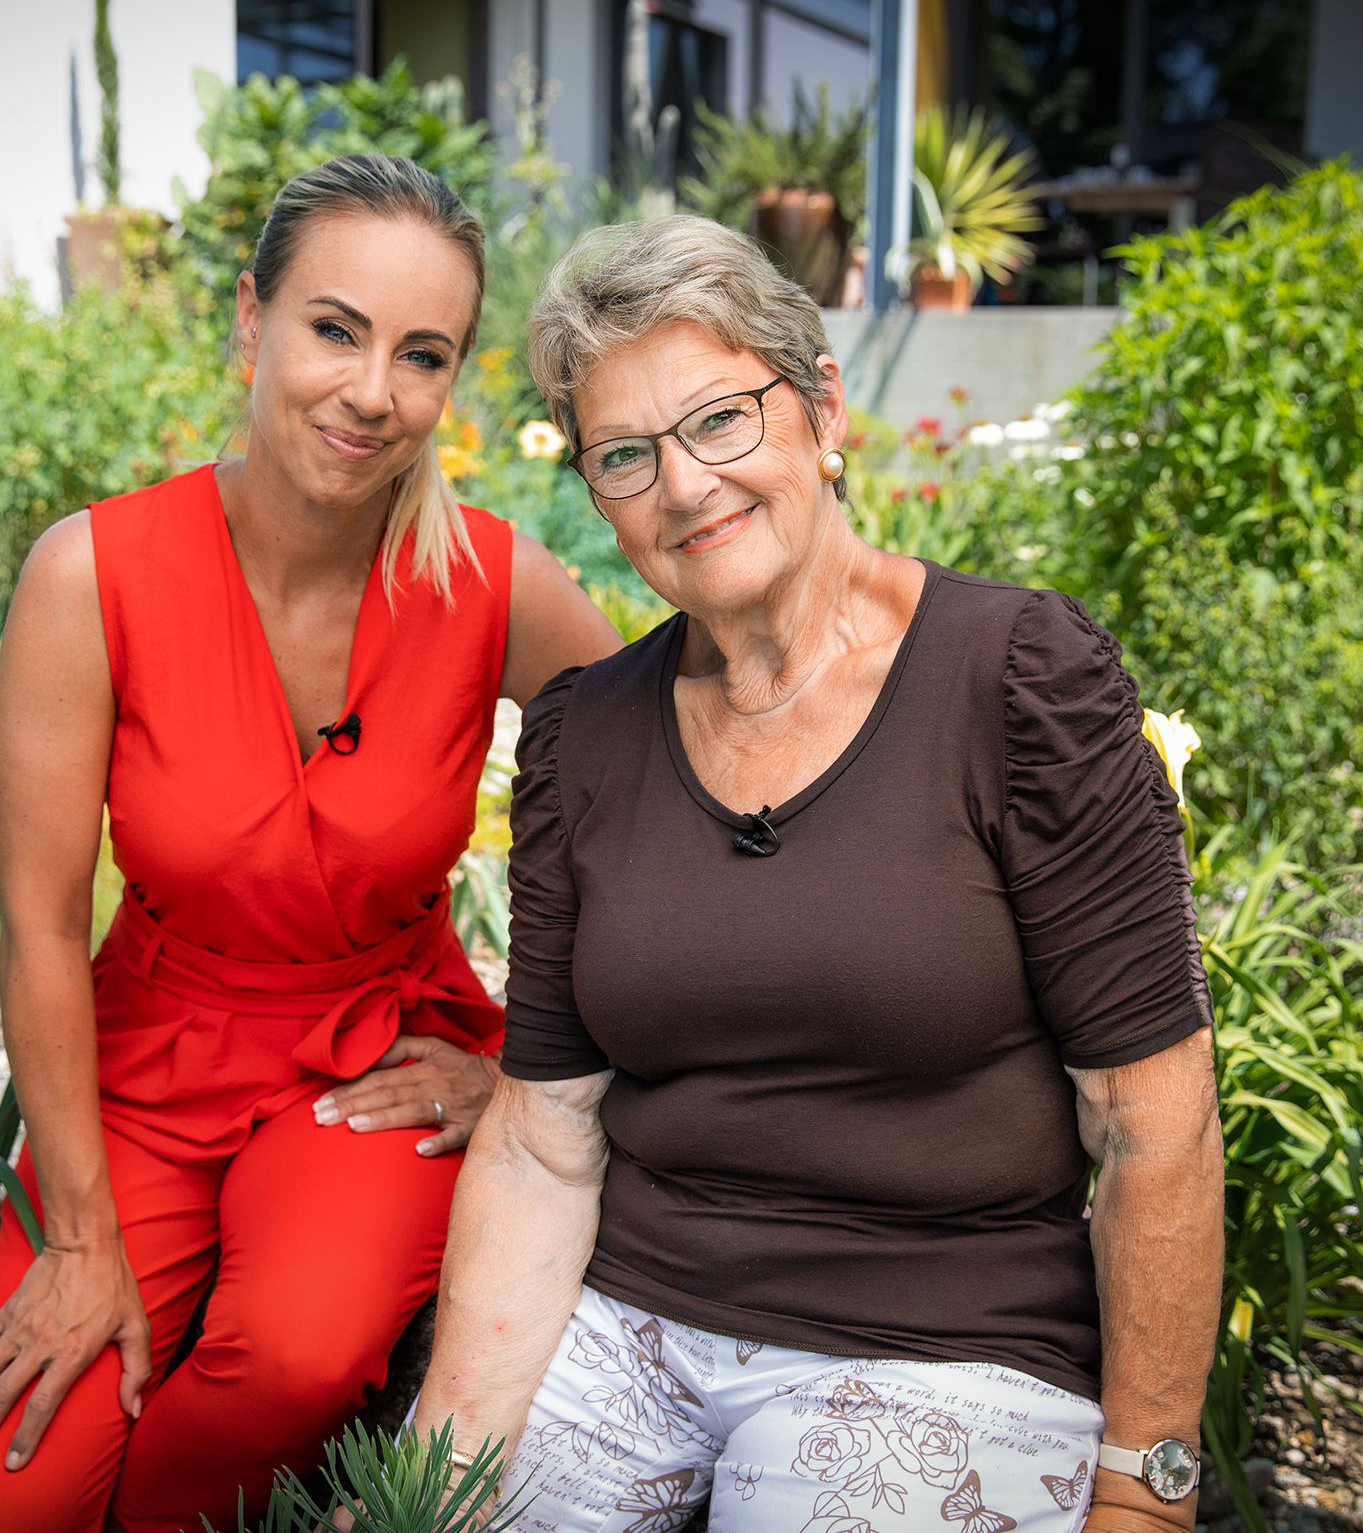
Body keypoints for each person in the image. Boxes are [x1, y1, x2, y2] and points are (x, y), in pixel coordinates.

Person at [412, 215, 1224, 1533]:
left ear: (821, 406)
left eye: (722, 421)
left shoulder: (1018, 684)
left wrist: (1146, 1495)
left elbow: (1152, 1120)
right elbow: (542, 1144)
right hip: (628, 1325)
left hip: (940, 1345)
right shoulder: (584, 738)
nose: (684, 486)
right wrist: (432, 1485)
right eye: (627, 455)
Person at [0, 155, 622, 1533]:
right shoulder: (91, 576)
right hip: (145, 1055)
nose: (373, 393)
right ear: (252, 320)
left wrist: (523, 1079)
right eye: (334, 329)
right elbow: (43, 925)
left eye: (423, 355)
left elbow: (674, 811)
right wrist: (76, 1240)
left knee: (282, 1368)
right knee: (10, 1500)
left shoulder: (497, 588)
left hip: (375, 1053)